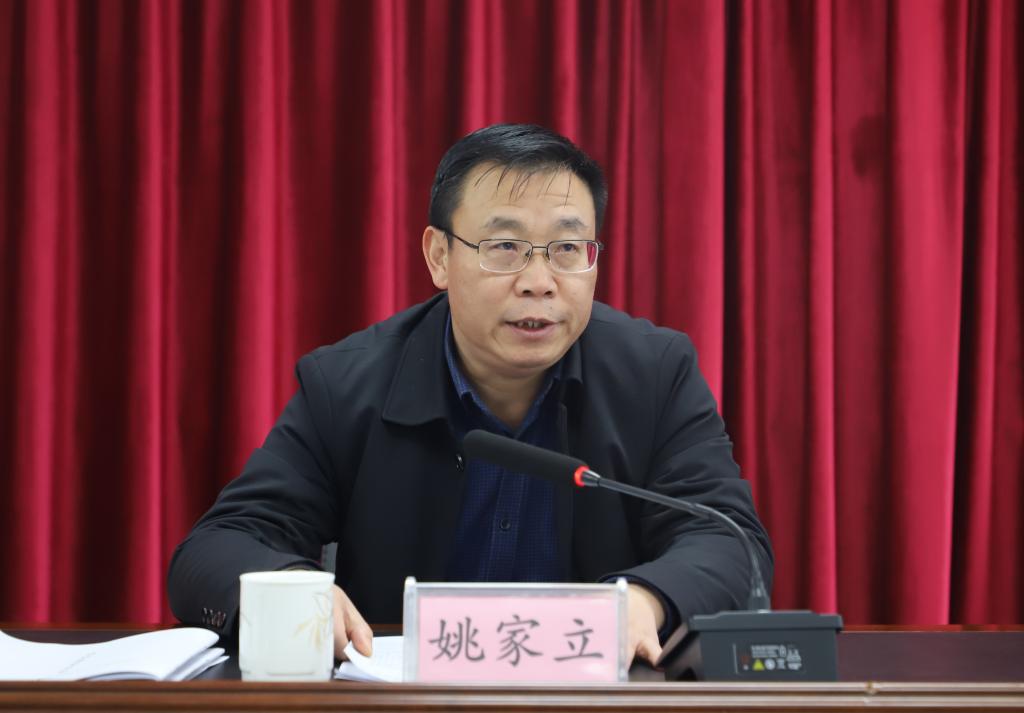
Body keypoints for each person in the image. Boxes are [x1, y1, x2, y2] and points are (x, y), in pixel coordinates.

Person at [167, 124, 773, 667]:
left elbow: (729, 541)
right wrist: (295, 591)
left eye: (567, 249)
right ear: (440, 257)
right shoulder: (347, 386)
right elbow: (219, 547)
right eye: (505, 247)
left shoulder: (654, 374)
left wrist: (646, 599)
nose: (539, 282)